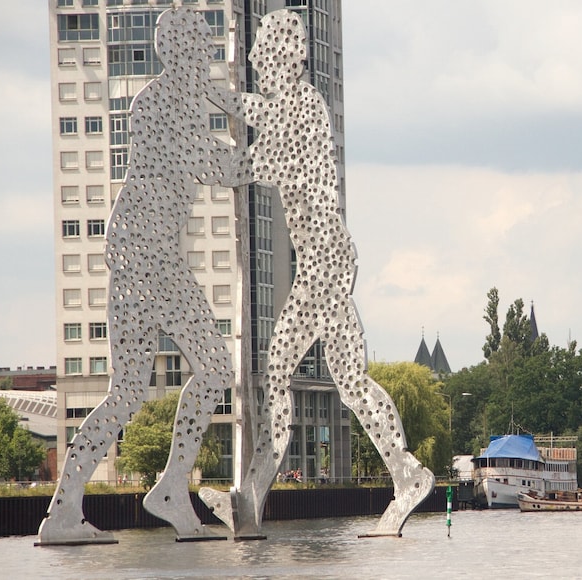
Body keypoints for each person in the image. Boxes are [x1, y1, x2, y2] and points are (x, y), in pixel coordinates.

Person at [200, 10, 434, 538]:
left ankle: (258, 497)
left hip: (324, 262)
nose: (257, 59)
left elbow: (243, 167)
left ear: (289, 57)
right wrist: (214, 91)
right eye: (256, 50)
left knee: (307, 377)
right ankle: (399, 474)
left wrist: (196, 137)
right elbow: (254, 110)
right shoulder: (292, 106)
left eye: (265, 51)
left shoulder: (303, 109)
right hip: (323, 262)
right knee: (332, 380)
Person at [38, 8, 250, 544]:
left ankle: (128, 498)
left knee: (160, 384)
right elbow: (221, 168)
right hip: (145, 258)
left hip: (148, 257)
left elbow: (216, 160)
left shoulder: (176, 100)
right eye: (201, 48)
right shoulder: (159, 102)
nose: (208, 57)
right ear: (178, 52)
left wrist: (232, 105)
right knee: (179, 379)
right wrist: (275, 148)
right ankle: (112, 501)